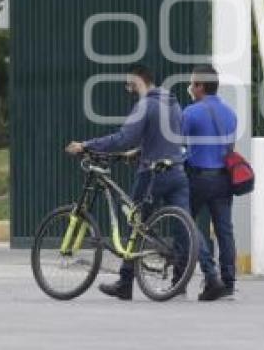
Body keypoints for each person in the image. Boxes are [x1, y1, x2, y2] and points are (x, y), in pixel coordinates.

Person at [66, 64, 191, 301]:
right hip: (176, 170)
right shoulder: (173, 103)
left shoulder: (145, 105)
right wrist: (140, 151)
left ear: (137, 80)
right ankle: (184, 281)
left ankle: (125, 282)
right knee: (184, 227)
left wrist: (86, 145)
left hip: (152, 175)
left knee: (135, 225)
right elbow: (167, 135)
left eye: (128, 83)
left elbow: (123, 138)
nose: (128, 88)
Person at [183, 64, 238, 301]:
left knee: (184, 222)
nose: (190, 87)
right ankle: (228, 282)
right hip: (224, 180)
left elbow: (178, 145)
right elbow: (230, 148)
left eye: (193, 83)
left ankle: (180, 277)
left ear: (200, 86)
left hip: (198, 177)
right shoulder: (231, 114)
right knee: (224, 231)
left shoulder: (190, 112)